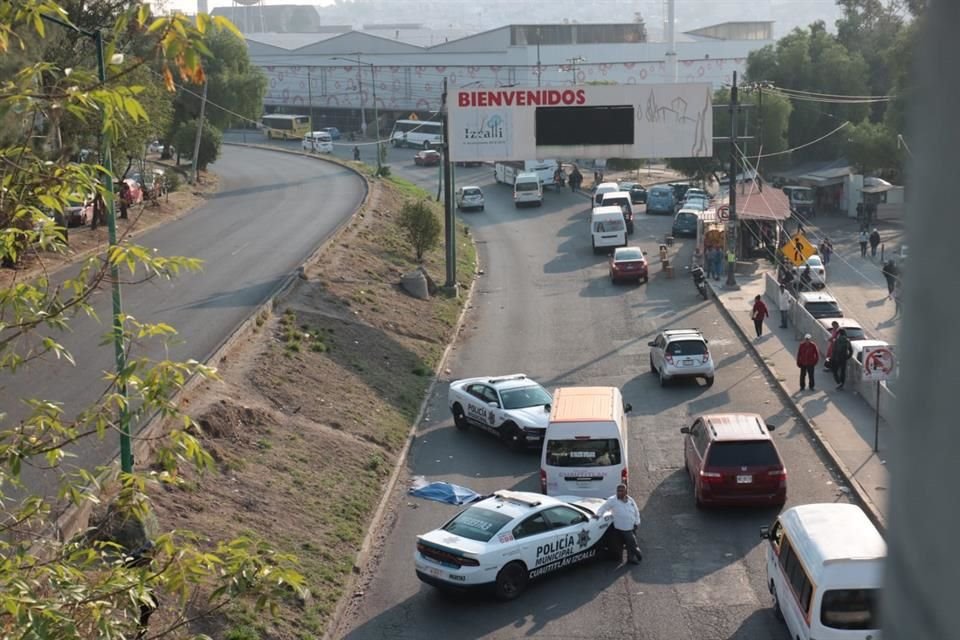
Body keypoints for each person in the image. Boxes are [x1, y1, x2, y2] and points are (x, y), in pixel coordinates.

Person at [596, 484, 642, 565]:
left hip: (631, 526)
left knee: (630, 544)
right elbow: (604, 507)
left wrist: (637, 522)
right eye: (618, 491)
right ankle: (636, 554)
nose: (619, 492)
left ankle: (631, 559)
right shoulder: (612, 500)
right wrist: (598, 515)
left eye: (621, 491)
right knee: (628, 543)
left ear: (625, 492)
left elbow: (636, 511)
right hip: (620, 527)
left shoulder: (630, 500)